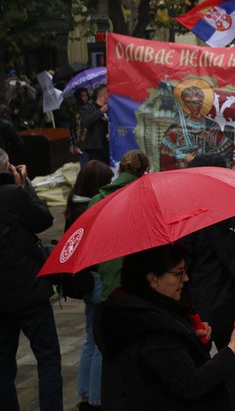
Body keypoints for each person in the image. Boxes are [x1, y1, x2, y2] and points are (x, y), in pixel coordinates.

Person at [95, 243, 235, 410]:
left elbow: (167, 365)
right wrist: (233, 348)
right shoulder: (152, 327)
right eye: (178, 273)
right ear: (153, 279)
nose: (185, 279)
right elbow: (192, 384)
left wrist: (191, 339)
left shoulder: (130, 306)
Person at [180, 152, 235, 411]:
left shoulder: (189, 219)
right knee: (234, 368)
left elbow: (180, 267)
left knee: (197, 370)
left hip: (198, 312)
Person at [0, 149, 62, 411]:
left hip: (2, 299)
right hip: (29, 291)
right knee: (48, 359)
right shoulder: (12, 195)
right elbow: (43, 219)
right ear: (6, 166)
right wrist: (26, 187)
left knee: (3, 368)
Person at [66, 161, 114, 411]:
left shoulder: (73, 207)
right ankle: (96, 398)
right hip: (97, 279)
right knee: (100, 343)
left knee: (89, 340)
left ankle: (85, 392)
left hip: (85, 279)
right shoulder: (93, 208)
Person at [95, 150, 151, 300]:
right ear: (147, 170)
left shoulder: (97, 201)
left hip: (110, 281)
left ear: (119, 169)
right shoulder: (151, 198)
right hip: (146, 280)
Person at [160, 81, 235, 170]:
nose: (192, 106)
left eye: (195, 102)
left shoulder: (212, 126)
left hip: (207, 175)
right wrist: (183, 160)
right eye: (188, 102)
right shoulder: (176, 130)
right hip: (183, 178)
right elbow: (165, 163)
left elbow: (225, 152)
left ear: (201, 102)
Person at [80, 85, 110, 164]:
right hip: (95, 148)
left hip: (108, 146)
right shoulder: (88, 108)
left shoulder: (110, 108)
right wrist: (101, 111)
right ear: (105, 95)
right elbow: (86, 122)